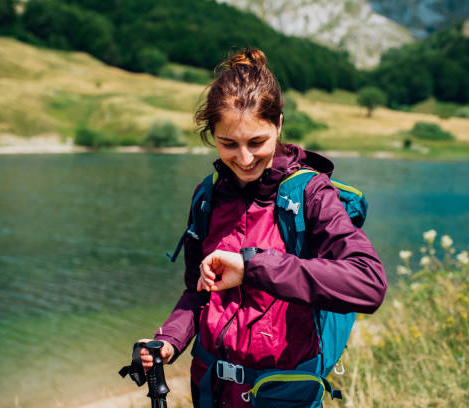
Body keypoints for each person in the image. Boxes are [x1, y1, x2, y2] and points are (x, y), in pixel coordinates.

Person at [138, 48, 387, 407]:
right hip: (211, 388)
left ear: (279, 124)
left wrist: (253, 267)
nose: (244, 159)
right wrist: (170, 339)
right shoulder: (208, 197)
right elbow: (198, 293)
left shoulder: (311, 195)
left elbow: (369, 284)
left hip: (285, 391)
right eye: (228, 144)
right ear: (212, 135)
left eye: (257, 142)